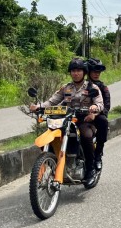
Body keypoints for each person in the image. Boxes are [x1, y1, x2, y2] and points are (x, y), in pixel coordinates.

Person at [29, 58, 104, 188]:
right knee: (51, 136)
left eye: (79, 70)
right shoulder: (66, 88)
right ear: (70, 73)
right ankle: (55, 164)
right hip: (66, 120)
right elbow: (52, 101)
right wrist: (39, 106)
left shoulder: (92, 87)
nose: (76, 73)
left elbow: (99, 102)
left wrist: (94, 108)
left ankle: (91, 170)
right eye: (73, 71)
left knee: (86, 136)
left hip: (84, 120)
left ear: (84, 72)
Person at [87, 58, 110, 170]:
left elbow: (106, 106)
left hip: (96, 115)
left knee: (103, 121)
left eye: (98, 72)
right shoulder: (80, 85)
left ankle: (98, 155)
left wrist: (95, 114)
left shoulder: (102, 87)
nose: (97, 74)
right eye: (94, 71)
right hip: (79, 116)